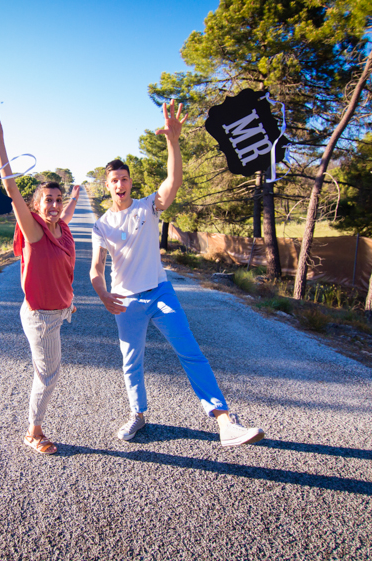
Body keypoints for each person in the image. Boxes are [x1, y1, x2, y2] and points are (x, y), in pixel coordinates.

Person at [89, 100, 265, 447]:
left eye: (124, 178)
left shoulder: (148, 207)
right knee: (131, 362)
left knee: (190, 352)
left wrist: (174, 140)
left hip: (160, 292)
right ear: (107, 186)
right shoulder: (102, 225)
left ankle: (225, 421)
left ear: (130, 182)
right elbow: (96, 270)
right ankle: (137, 415)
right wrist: (103, 294)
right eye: (114, 180)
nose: (120, 184)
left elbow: (174, 180)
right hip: (126, 301)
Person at [0, 115, 80, 455]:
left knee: (50, 371)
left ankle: (34, 427)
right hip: (40, 317)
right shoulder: (35, 232)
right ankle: (33, 432)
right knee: (49, 375)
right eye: (47, 201)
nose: (53, 205)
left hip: (59, 310)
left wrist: (75, 197)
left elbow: (63, 263)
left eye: (57, 200)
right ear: (35, 207)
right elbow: (10, 188)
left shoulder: (62, 229)